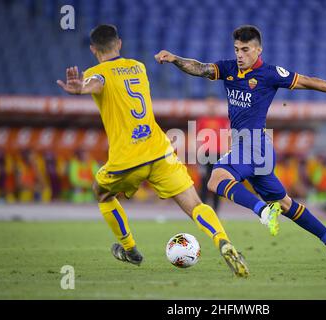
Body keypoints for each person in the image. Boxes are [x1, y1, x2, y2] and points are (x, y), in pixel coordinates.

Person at [155, 25, 326, 268]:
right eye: (236, 49)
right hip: (256, 151)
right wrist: (175, 59)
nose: (239, 54)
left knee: (215, 179)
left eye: (245, 49)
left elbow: (310, 82)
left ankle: (262, 211)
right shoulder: (228, 69)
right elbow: (200, 68)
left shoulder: (270, 74)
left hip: (254, 145)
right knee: (286, 204)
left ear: (258, 49)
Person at [57, 24, 249, 277]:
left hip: (127, 158)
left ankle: (130, 249)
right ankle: (222, 240)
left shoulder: (97, 73)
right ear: (120, 43)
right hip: (160, 151)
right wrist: (85, 86)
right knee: (194, 204)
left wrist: (80, 88)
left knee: (101, 193)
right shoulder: (139, 67)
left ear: (93, 49)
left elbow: (96, 82)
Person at [196, 95, 229, 213]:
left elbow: (227, 138)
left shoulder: (223, 121)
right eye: (209, 105)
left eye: (213, 105)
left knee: (217, 182)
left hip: (219, 154)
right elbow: (198, 140)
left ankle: (215, 211)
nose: (211, 107)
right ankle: (204, 210)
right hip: (205, 154)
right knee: (204, 182)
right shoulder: (202, 121)